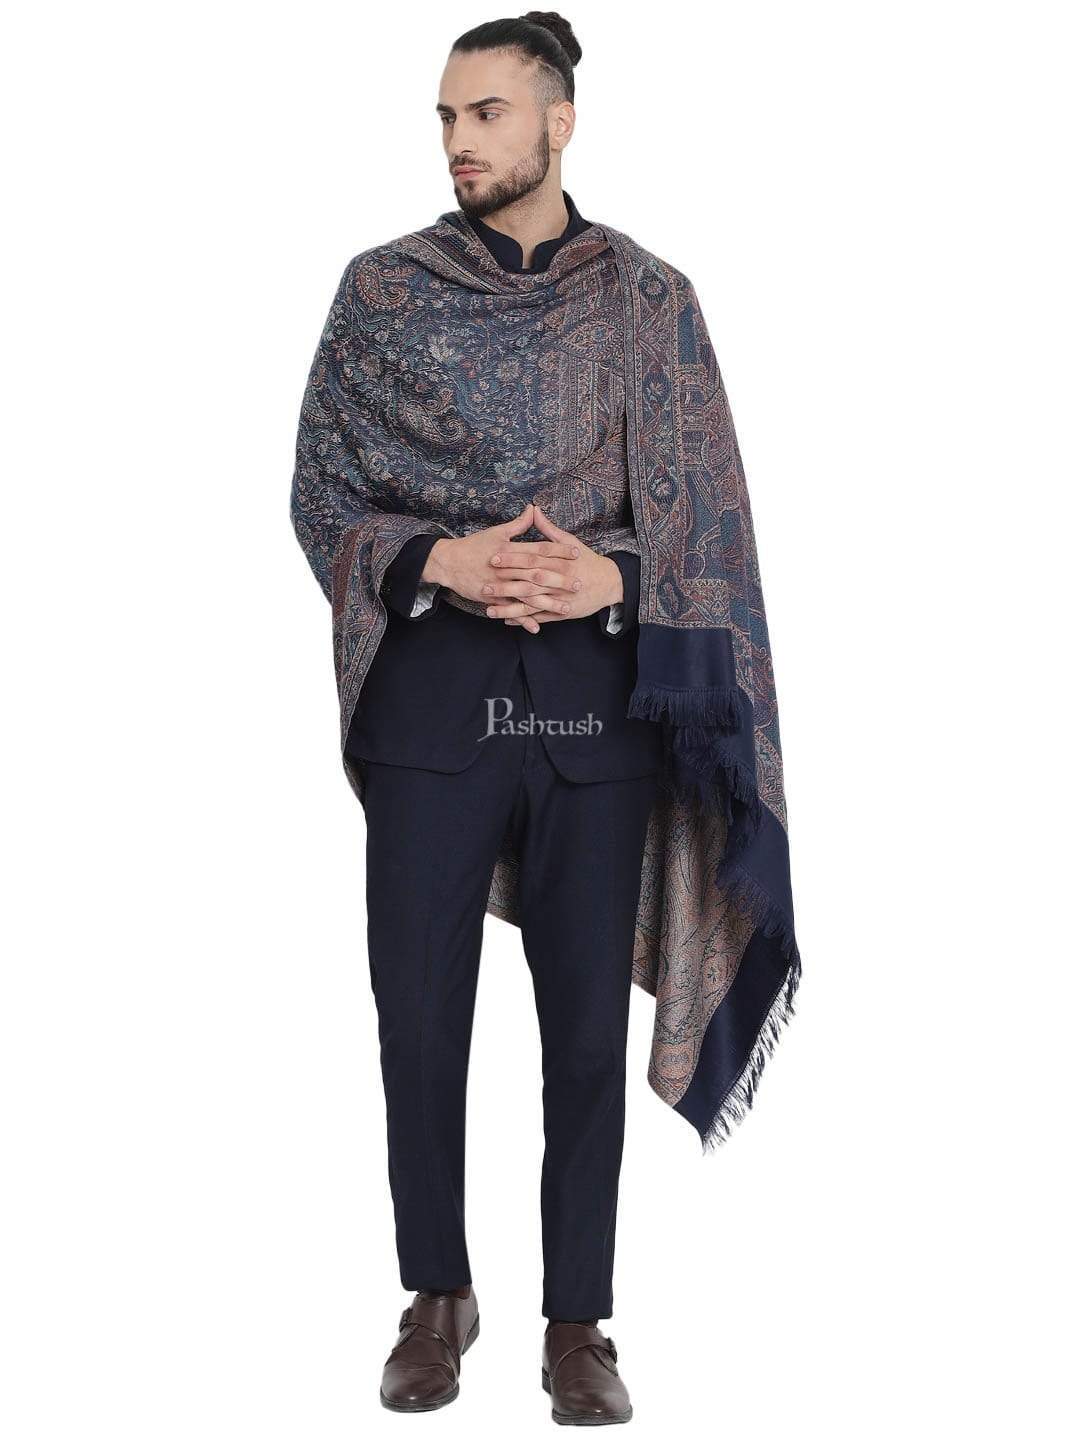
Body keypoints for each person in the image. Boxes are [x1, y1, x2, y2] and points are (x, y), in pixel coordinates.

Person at [290, 11, 802, 1425]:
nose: (460, 142)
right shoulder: (383, 291)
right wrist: (440, 558)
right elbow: (319, 493)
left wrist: (611, 576)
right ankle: (436, 1296)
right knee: (418, 1021)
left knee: (581, 1035)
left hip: (595, 718)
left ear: (559, 123)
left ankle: (579, 1322)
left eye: (489, 114)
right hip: (431, 710)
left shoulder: (649, 300)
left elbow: (708, 518)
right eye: (447, 118)